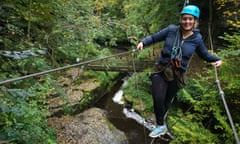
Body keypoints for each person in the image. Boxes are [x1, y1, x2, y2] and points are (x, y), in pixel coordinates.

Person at [136, 5, 222, 138]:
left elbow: (204, 54)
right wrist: (143, 42)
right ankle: (160, 125)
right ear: (181, 19)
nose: (187, 22)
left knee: (167, 100)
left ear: (195, 21)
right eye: (185, 19)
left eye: (190, 19)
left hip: (177, 75)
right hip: (161, 69)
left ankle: (162, 115)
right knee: (158, 96)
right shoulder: (171, 30)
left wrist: (217, 59)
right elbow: (154, 37)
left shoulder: (197, 39)